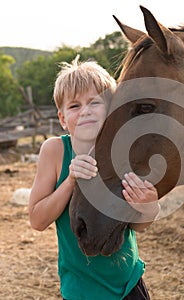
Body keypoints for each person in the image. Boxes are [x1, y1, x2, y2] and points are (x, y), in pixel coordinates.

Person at [29, 55, 160, 300]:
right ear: (62, 119)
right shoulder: (55, 151)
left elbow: (137, 225)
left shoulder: (125, 151)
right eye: (74, 106)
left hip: (128, 285)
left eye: (94, 102)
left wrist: (149, 207)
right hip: (80, 290)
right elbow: (37, 220)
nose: (85, 111)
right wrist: (70, 180)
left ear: (111, 110)